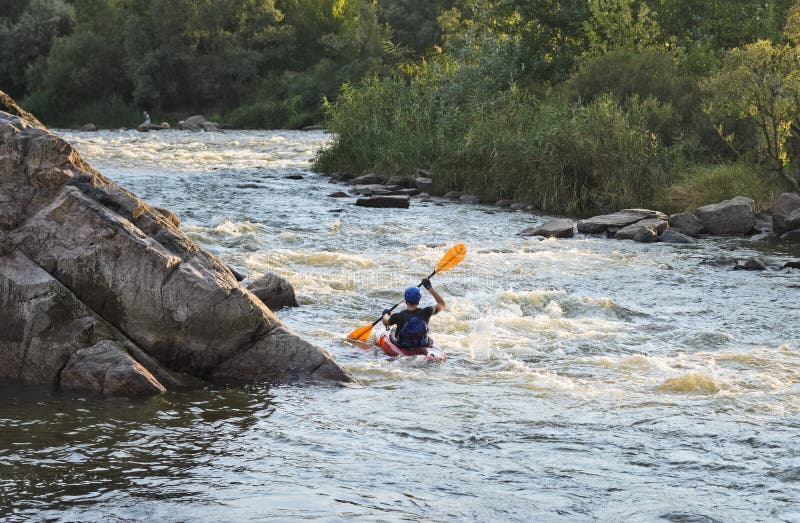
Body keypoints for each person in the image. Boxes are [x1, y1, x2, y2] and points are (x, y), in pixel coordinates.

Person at [382, 278, 446, 350]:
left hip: (404, 346)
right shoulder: (427, 312)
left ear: (406, 299)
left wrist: (385, 314)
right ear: (419, 298)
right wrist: (429, 288)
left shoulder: (398, 316)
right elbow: (442, 304)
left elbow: (386, 322)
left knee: (393, 329)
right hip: (422, 344)